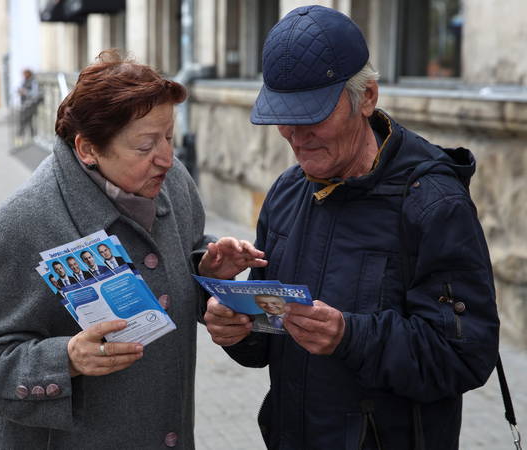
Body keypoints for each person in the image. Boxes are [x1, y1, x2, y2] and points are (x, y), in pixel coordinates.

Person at [203, 6, 500, 450]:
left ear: (367, 98)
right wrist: (235, 325)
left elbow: (464, 356)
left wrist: (350, 336)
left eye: (313, 115)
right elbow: (269, 339)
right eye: (284, 115)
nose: (295, 135)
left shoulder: (433, 203)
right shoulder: (287, 191)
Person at [0, 49, 265, 449]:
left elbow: (177, 262)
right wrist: (66, 358)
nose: (166, 158)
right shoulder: (19, 226)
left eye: (168, 136)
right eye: (145, 145)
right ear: (88, 150)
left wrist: (209, 271)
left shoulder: (174, 183)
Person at [18, 68, 40, 137]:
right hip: (25, 105)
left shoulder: (33, 81)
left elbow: (35, 93)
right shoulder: (25, 81)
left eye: (24, 74)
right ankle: (24, 135)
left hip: (31, 105)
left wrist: (25, 92)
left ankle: (30, 135)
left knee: (29, 121)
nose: (23, 76)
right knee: (25, 120)